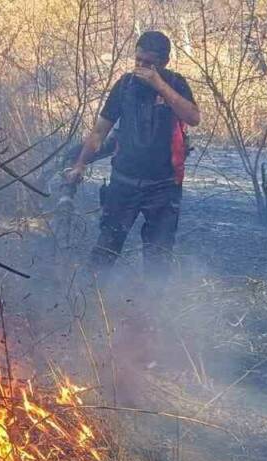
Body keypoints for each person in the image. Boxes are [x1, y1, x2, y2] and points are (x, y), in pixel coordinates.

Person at [66, 30, 200, 280]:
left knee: (158, 259)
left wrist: (159, 85)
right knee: (105, 249)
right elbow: (99, 131)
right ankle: (89, 303)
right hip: (123, 183)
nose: (141, 67)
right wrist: (80, 164)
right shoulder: (125, 85)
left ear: (164, 63)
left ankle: (151, 310)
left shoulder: (176, 83)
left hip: (164, 187)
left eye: (148, 63)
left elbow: (193, 117)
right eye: (138, 60)